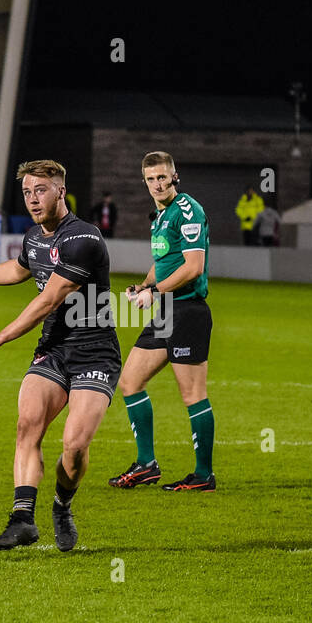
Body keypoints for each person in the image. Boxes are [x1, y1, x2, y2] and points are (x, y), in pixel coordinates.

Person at [0, 159, 121, 552]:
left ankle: (62, 504)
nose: (33, 199)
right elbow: (19, 269)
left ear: (60, 190)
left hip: (94, 353)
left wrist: (2, 336)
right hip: (53, 349)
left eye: (40, 190)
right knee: (28, 424)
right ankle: (22, 519)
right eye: (26, 193)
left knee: (73, 448)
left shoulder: (83, 239)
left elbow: (49, 298)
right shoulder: (35, 238)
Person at [109, 151, 216, 492]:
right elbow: (164, 262)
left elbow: (193, 266)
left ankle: (203, 475)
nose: (157, 183)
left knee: (193, 394)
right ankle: (146, 464)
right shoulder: (159, 215)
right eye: (151, 179)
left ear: (174, 177)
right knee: (130, 381)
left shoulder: (187, 210)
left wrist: (154, 293)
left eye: (162, 177)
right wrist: (143, 286)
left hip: (187, 311)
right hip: (167, 311)